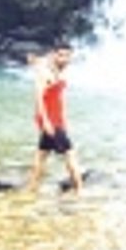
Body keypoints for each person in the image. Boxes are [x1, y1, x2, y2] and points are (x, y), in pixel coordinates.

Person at [28, 46, 83, 193]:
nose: (64, 59)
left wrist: (64, 120)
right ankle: (80, 192)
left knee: (41, 155)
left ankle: (32, 189)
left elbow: (58, 98)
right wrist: (46, 122)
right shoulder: (44, 73)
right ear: (54, 55)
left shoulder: (56, 69)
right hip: (51, 121)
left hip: (57, 119)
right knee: (70, 155)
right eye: (61, 55)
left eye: (67, 56)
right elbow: (39, 99)